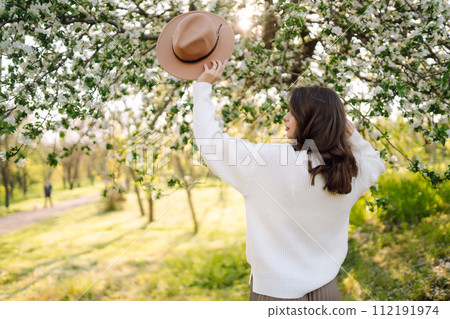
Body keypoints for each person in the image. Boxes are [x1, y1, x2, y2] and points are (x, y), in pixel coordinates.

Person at [193, 59, 386, 301]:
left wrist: (202, 88)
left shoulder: (268, 161)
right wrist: (352, 134)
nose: (285, 118)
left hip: (274, 296)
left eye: (293, 113)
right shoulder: (350, 169)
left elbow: (211, 144)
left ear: (309, 120)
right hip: (327, 293)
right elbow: (375, 162)